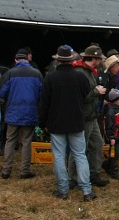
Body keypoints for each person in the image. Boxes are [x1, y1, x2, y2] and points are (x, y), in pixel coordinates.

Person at [39, 45, 97, 201]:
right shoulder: (80, 77)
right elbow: (86, 96)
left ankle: (63, 190)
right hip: (76, 121)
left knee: (59, 156)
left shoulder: (50, 78)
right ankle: (86, 191)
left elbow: (44, 103)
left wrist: (41, 122)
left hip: (56, 122)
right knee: (80, 155)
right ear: (72, 61)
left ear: (58, 61)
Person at [0, 49, 43, 180]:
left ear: (15, 61)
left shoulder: (10, 73)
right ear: (28, 60)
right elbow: (42, 93)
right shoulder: (36, 73)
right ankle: (25, 171)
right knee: (26, 141)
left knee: (10, 141)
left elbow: (1, 93)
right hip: (30, 112)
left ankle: (6, 171)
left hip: (13, 112)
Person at [69, 45, 109, 187]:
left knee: (97, 144)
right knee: (79, 148)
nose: (100, 62)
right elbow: (80, 97)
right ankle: (72, 178)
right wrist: (97, 92)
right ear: (94, 58)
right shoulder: (80, 73)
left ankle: (93, 173)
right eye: (99, 59)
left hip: (91, 116)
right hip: (83, 116)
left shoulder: (90, 72)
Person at [103, 88, 119, 180]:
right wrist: (111, 137)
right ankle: (114, 171)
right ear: (115, 100)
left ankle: (106, 165)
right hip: (114, 138)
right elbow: (108, 127)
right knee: (115, 155)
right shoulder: (110, 112)